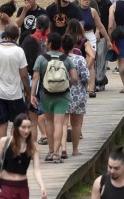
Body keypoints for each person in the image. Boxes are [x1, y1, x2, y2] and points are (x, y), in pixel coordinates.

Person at [30, 32, 77, 164]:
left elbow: (35, 78)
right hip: (63, 95)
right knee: (59, 123)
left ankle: (51, 151)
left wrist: (32, 95)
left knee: (49, 122)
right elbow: (74, 77)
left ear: (49, 44)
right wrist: (66, 85)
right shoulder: (66, 59)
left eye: (46, 42)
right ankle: (57, 153)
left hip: (46, 94)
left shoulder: (41, 58)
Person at [0, 24, 31, 141]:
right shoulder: (19, 51)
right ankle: (16, 150)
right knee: (17, 123)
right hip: (16, 93)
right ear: (16, 37)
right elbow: (24, 75)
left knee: (2, 123)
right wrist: (28, 92)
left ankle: (2, 151)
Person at [0, 114, 47, 199]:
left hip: (22, 187)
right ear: (16, 127)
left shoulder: (33, 146)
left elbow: (37, 170)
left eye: (29, 127)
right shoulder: (4, 142)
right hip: (5, 186)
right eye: (23, 127)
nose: (26, 131)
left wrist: (42, 186)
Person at [60, 33, 89, 159]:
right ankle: (75, 149)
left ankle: (63, 148)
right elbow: (85, 77)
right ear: (74, 45)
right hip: (78, 93)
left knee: (63, 122)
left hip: (61, 93)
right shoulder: (80, 59)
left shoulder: (58, 59)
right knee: (76, 124)